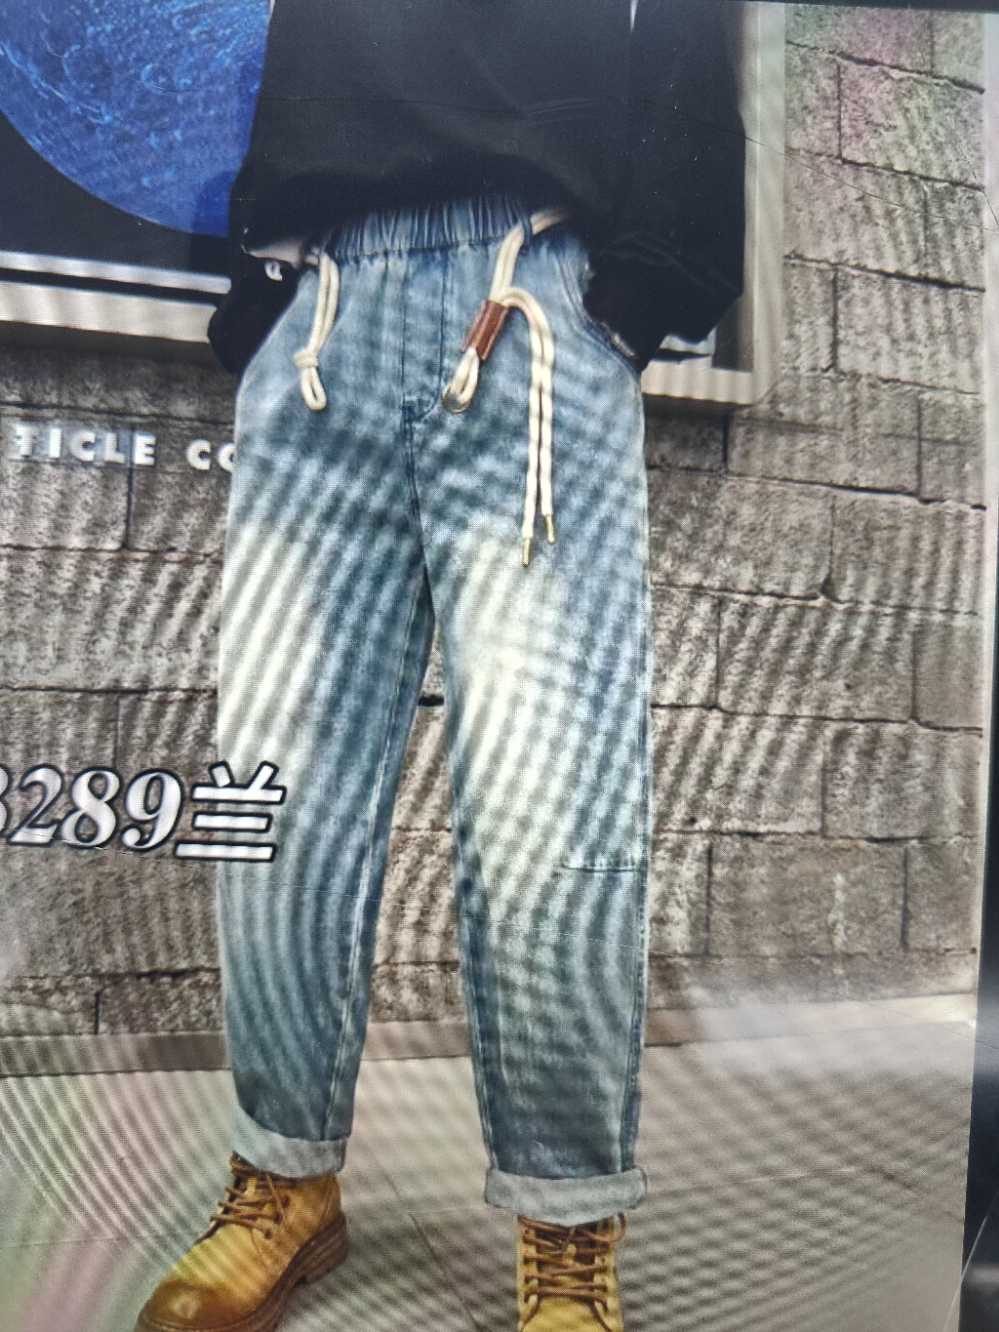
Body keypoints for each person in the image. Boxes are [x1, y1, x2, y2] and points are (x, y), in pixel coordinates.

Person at [135, 2, 745, 1330]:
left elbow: (689, 36)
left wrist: (647, 291)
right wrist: (264, 299)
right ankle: (283, 1179)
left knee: (553, 801)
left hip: (533, 290)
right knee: (276, 791)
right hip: (322, 303)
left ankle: (568, 1221)